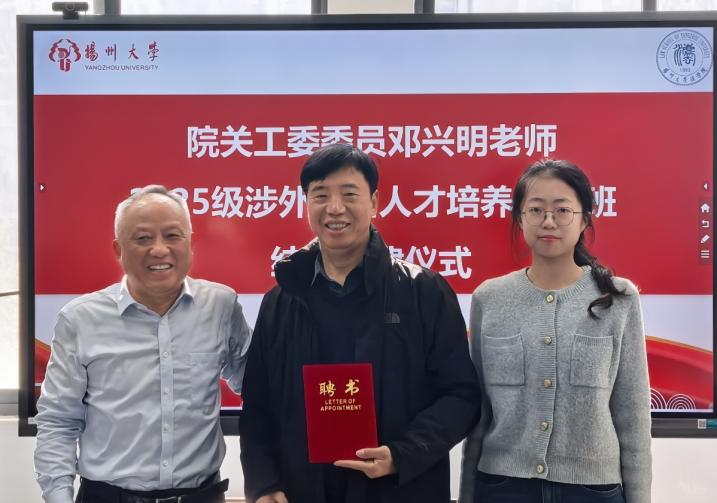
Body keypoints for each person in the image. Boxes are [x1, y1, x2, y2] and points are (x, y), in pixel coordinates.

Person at [240, 143, 480, 503]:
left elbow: (461, 395)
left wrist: (402, 453)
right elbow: (258, 404)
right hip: (301, 491)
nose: (335, 208)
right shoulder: (281, 300)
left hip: (399, 491)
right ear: (306, 203)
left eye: (349, 194)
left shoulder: (423, 292)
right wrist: (264, 484)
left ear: (375, 201)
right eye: (321, 195)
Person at [34, 185, 252, 503]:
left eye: (172, 236)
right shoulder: (80, 319)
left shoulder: (220, 306)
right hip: (108, 497)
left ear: (190, 243)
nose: (159, 250)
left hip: (200, 495)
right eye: (143, 239)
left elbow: (260, 387)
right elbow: (58, 420)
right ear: (119, 249)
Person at [459, 159, 652, 503]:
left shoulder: (618, 299)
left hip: (593, 491)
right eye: (536, 210)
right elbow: (479, 414)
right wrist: (467, 495)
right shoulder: (489, 298)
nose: (548, 221)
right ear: (520, 218)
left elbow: (633, 416)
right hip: (503, 487)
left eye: (562, 210)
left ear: (584, 219)